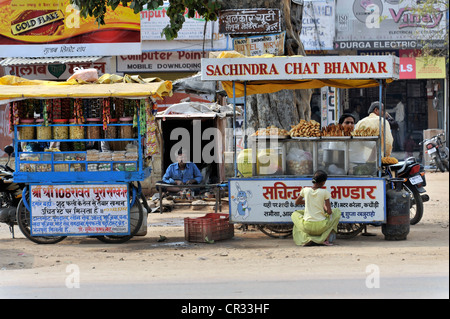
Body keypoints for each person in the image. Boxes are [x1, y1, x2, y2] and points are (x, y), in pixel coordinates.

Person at [291, 170, 341, 246]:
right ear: (324, 182)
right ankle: (325, 240)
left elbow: (297, 202)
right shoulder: (325, 192)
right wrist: (323, 205)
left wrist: (309, 201)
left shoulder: (305, 190)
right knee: (336, 212)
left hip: (306, 226)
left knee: (295, 214)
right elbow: (329, 212)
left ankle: (305, 239)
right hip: (321, 227)